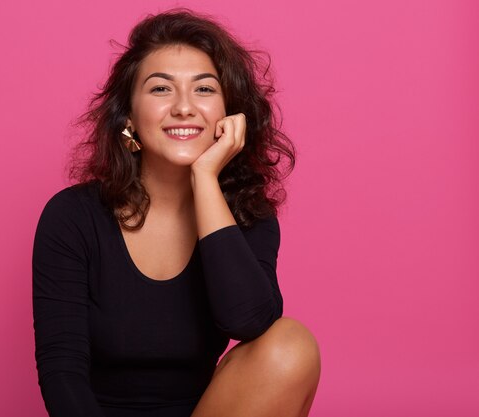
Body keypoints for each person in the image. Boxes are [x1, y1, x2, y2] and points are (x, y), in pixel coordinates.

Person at [32, 8, 321, 417]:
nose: (184, 107)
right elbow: (62, 372)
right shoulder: (73, 216)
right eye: (161, 89)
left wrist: (204, 176)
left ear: (228, 113)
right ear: (128, 116)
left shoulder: (247, 216)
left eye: (204, 90)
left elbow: (249, 322)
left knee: (291, 344)